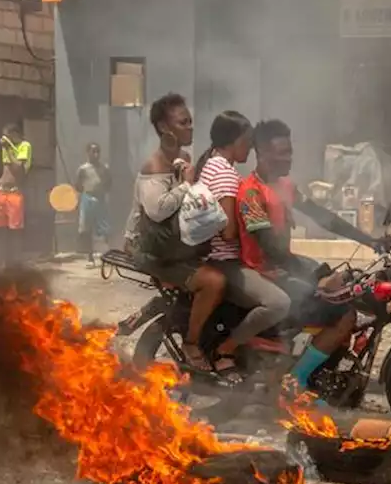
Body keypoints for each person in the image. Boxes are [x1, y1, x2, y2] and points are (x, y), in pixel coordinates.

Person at [235, 119, 357, 398]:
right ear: (263, 153)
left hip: (284, 268)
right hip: (266, 274)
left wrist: (372, 240)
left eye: (290, 151)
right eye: (283, 152)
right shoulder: (251, 192)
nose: (290, 157)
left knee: (346, 289)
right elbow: (270, 250)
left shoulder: (285, 186)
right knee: (343, 312)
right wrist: (316, 274)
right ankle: (296, 383)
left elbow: (323, 217)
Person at [123, 93, 227, 367]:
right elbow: (157, 210)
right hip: (152, 249)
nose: (190, 127)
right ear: (163, 128)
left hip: (173, 245)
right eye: (183, 123)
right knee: (213, 282)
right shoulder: (154, 165)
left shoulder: (183, 157)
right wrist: (186, 184)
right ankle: (191, 345)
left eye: (190, 121)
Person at [189, 110, 292, 381]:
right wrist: (249, 219)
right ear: (233, 141)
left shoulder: (212, 163)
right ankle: (226, 350)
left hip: (217, 258)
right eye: (247, 141)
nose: (249, 147)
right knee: (278, 303)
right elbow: (228, 233)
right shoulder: (224, 173)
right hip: (225, 261)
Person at [0, 123, 31, 265]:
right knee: (0, 229)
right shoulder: (5, 149)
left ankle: (16, 260)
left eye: (7, 135)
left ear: (14, 134)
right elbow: (6, 173)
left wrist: (9, 148)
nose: (4, 139)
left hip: (15, 193)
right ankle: (3, 260)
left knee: (15, 230)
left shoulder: (24, 146)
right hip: (2, 193)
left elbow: (18, 168)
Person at [74, 142, 111, 268]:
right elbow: (78, 185)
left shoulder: (104, 168)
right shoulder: (83, 169)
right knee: (87, 229)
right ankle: (90, 258)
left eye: (97, 151)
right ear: (88, 152)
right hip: (87, 198)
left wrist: (101, 192)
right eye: (93, 151)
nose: (95, 154)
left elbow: (108, 183)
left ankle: (106, 256)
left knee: (103, 228)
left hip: (100, 199)